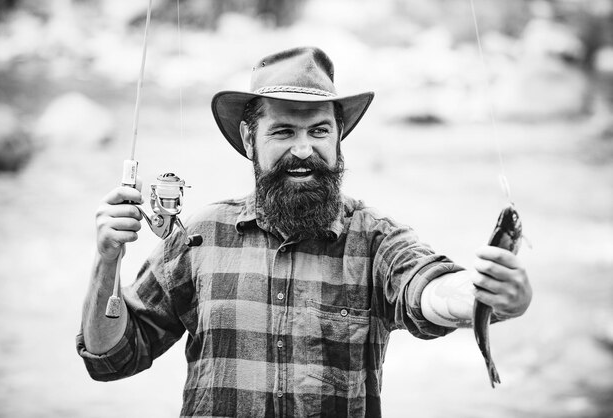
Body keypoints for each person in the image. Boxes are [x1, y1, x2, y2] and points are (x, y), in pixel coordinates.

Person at [77, 46, 532, 417]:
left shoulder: (375, 240)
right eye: (283, 131)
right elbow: (112, 357)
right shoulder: (200, 236)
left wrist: (484, 295)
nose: (303, 149)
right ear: (249, 138)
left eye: (319, 130)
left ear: (338, 138)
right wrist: (106, 260)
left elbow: (430, 291)